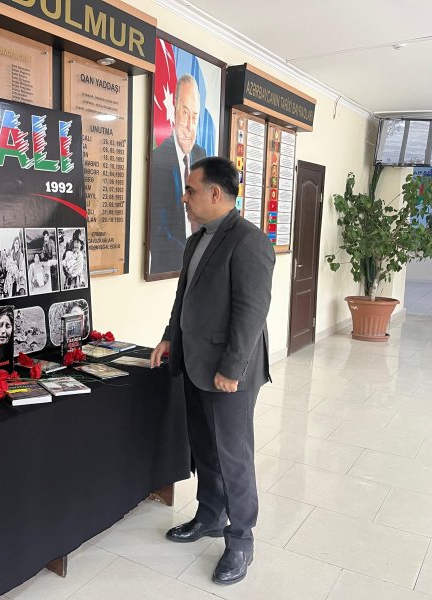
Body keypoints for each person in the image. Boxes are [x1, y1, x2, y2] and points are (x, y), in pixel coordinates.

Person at [150, 157, 275, 586]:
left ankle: (241, 540)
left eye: (190, 190)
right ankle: (209, 515)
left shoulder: (249, 241)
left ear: (215, 193)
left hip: (228, 373)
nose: (184, 198)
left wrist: (231, 368)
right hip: (194, 362)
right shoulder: (196, 241)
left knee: (233, 455)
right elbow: (183, 297)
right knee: (204, 447)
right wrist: (169, 336)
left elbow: (251, 312)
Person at [149, 74, 207, 275]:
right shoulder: (158, 159)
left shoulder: (201, 155)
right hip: (169, 270)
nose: (190, 125)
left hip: (198, 268)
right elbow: (158, 232)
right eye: (185, 112)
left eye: (195, 116)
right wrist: (193, 257)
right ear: (174, 111)